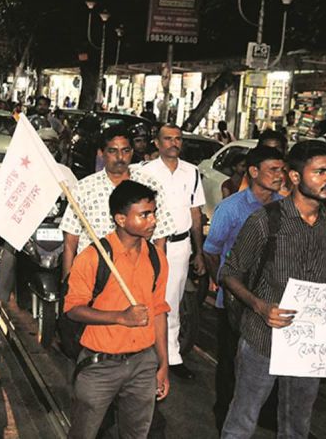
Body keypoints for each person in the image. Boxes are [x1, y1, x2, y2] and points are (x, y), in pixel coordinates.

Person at [220, 140, 326, 438]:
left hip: (310, 346)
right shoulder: (265, 221)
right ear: (295, 177)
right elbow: (229, 274)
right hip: (262, 339)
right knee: (243, 419)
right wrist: (259, 306)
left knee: (297, 425)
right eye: (320, 172)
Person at [65, 180, 170, 438]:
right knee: (84, 433)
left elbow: (158, 312)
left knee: (137, 433)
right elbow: (72, 309)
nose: (153, 220)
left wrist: (163, 364)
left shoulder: (157, 258)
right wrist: (120, 318)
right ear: (121, 219)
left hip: (143, 363)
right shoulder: (93, 257)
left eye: (153, 212)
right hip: (99, 365)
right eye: (144, 215)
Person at [201, 146, 285, 432]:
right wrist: (221, 282)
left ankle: (266, 415)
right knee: (229, 365)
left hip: (269, 302)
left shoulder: (284, 206)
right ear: (253, 171)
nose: (279, 175)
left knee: (269, 362)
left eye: (282, 169)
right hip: (235, 301)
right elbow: (211, 251)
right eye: (272, 169)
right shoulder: (231, 208)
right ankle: (224, 418)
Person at [61, 125, 175, 280]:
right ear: (101, 153)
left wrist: (157, 278)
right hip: (92, 275)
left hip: (135, 276)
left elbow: (161, 237)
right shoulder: (84, 188)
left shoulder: (149, 185)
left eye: (125, 151)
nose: (120, 157)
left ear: (132, 152)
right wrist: (67, 280)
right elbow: (70, 241)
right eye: (112, 151)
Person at [138, 123, 206, 380]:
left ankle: (171, 357)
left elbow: (195, 213)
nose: (174, 143)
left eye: (178, 139)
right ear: (157, 143)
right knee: (145, 298)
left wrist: (198, 252)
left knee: (171, 303)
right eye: (168, 139)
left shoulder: (192, 172)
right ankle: (143, 353)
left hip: (179, 246)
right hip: (148, 246)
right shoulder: (144, 171)